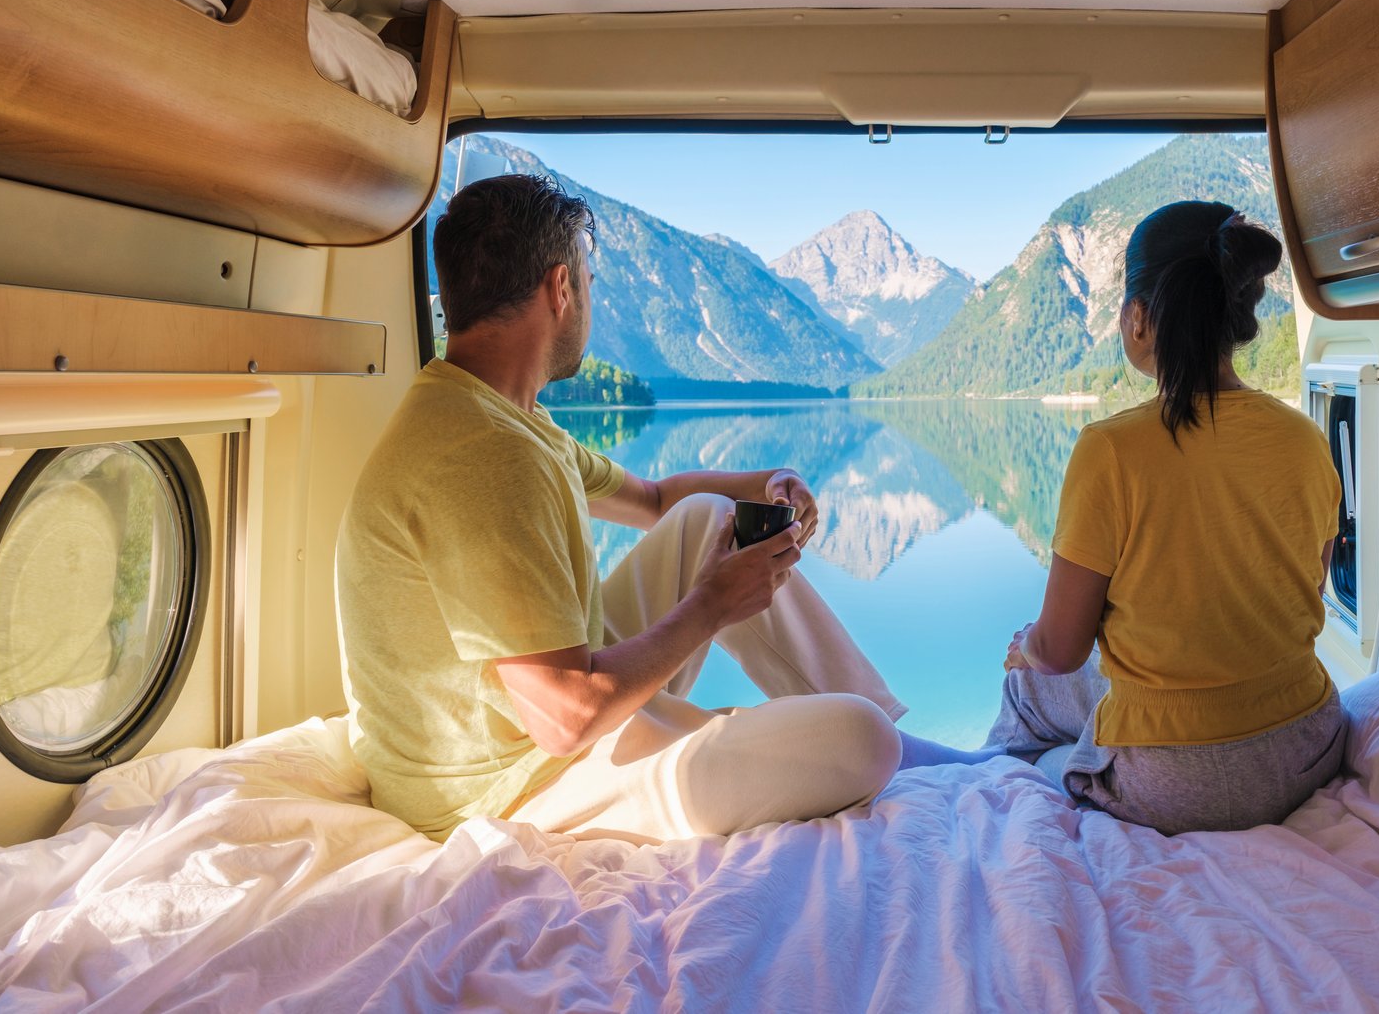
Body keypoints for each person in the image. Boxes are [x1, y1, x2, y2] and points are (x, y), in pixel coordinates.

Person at [338, 174, 978, 846]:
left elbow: (654, 500)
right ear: (561, 289)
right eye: (588, 282)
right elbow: (565, 719)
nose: (589, 301)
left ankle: (896, 740)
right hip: (503, 786)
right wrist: (711, 604)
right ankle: (882, 742)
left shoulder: (499, 417)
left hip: (530, 719)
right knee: (861, 743)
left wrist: (768, 482)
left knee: (706, 517)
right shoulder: (483, 455)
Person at [982, 200, 1348, 835]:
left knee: (1028, 680)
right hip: (1306, 749)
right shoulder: (1304, 438)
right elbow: (1299, 595)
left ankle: (990, 793)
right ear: (1239, 315)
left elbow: (1062, 650)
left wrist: (1026, 647)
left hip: (1176, 785)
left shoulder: (1111, 450)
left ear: (1139, 318)